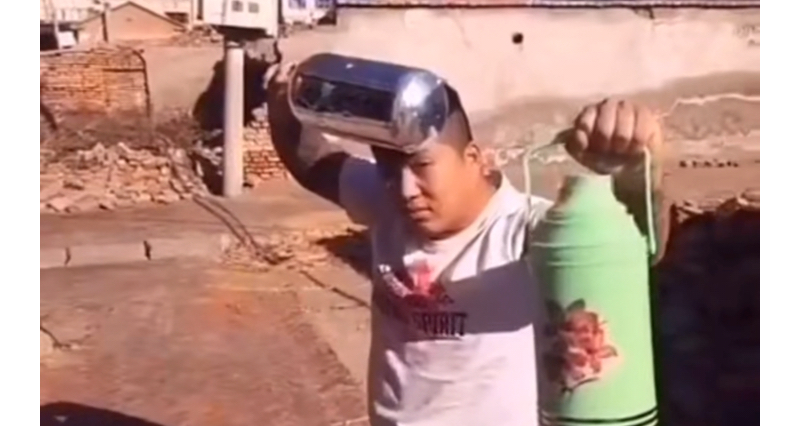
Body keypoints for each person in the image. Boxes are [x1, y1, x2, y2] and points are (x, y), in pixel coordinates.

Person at [265, 62, 670, 426]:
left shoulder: (524, 229)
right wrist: (281, 108)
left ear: (474, 158)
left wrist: (638, 177)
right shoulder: (387, 201)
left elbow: (638, 249)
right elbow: (314, 164)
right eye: (389, 170)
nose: (405, 189)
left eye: (422, 166)